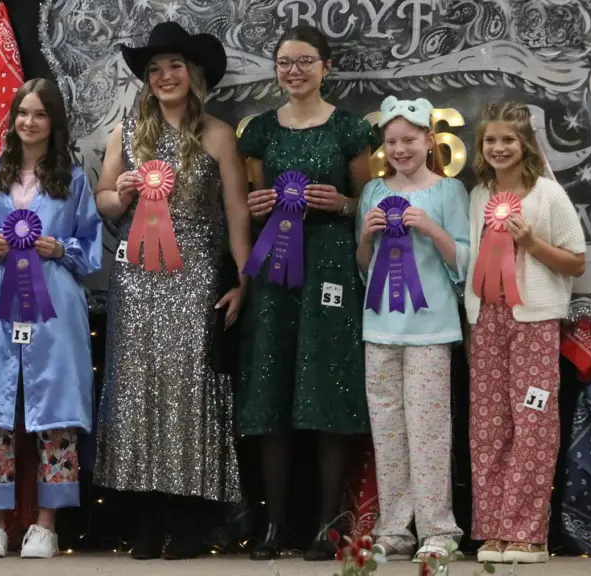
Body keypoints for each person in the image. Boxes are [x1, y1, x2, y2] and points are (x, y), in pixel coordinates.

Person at [92, 21, 251, 560]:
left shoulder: (218, 134)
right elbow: (104, 200)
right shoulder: (125, 133)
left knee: (188, 393)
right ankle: (145, 521)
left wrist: (243, 278)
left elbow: (236, 211)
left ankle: (188, 521)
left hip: (196, 276)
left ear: (193, 74)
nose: (164, 76)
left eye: (174, 66)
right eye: (155, 69)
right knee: (135, 394)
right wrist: (121, 192)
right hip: (137, 279)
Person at [236, 25, 375, 561]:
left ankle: (327, 527)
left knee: (326, 389)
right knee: (272, 387)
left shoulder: (349, 128)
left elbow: (368, 201)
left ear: (326, 66)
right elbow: (251, 198)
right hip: (274, 272)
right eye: (285, 62)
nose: (294, 71)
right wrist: (256, 206)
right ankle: (273, 527)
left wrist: (341, 204)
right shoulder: (259, 131)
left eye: (304, 61)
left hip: (331, 268)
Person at [0, 78, 102, 559]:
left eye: (40, 114)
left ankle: (46, 524)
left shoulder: (73, 180)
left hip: (56, 307)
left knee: (56, 407)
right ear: (12, 118)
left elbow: (91, 249)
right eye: (22, 112)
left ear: (53, 121)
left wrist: (61, 248)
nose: (30, 122)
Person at [466, 101, 587, 564]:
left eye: (508, 140)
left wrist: (530, 243)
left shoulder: (548, 195)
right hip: (487, 322)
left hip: (534, 322)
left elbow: (576, 262)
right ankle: (493, 530)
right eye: (491, 140)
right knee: (488, 426)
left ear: (525, 144)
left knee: (533, 420)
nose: (498, 148)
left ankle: (527, 533)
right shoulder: (479, 195)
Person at [356, 97, 469, 562]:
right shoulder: (373, 191)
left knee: (428, 431)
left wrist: (431, 229)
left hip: (429, 329)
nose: (400, 149)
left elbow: (463, 260)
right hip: (379, 327)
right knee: (387, 432)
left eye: (409, 140)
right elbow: (364, 267)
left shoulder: (449, 192)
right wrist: (366, 236)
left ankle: (438, 530)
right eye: (392, 142)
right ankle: (394, 529)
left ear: (429, 141)